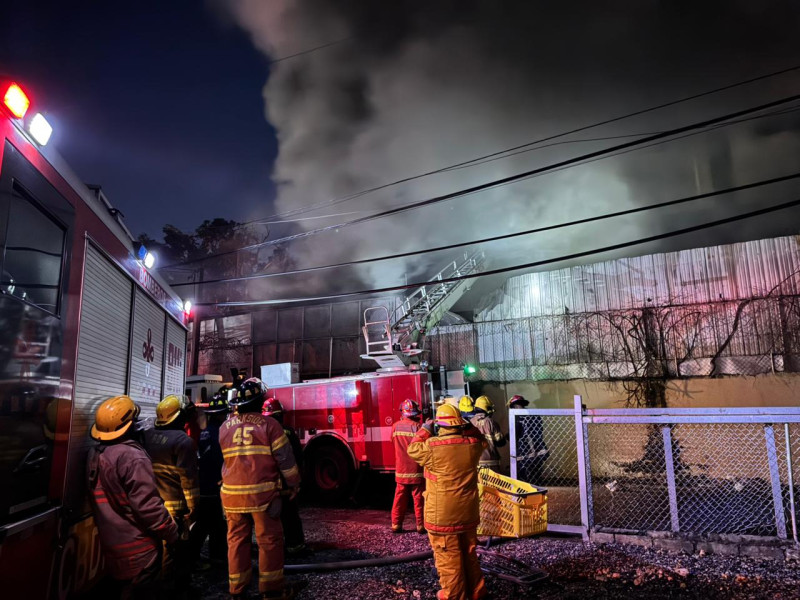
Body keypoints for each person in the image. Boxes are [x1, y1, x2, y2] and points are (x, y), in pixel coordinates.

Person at [87, 395, 178, 599]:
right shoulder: (132, 457)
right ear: (128, 426)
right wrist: (172, 533)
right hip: (140, 552)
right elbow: (148, 507)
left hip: (112, 549)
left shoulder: (95, 454)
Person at [221, 377, 303, 600]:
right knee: (269, 541)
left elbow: (227, 462)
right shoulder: (270, 426)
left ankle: (237, 590)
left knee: (236, 542)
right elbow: (285, 460)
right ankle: (271, 591)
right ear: (260, 401)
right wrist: (294, 484)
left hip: (232, 498)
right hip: (262, 497)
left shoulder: (225, 427)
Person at [408, 404, 488, 600]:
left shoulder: (432, 447)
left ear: (440, 425)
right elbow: (482, 439)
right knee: (469, 553)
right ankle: (477, 590)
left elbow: (412, 449)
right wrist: (468, 426)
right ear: (459, 423)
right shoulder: (472, 444)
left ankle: (454, 595)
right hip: (468, 513)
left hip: (443, 517)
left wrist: (425, 429)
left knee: (449, 558)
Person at [142, 395, 200, 594]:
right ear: (179, 417)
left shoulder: (148, 436)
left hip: (151, 505)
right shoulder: (183, 441)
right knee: (175, 551)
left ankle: (156, 587)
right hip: (175, 508)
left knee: (155, 549)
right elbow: (188, 479)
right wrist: (193, 508)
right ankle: (171, 590)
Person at [262, 396, 308, 556]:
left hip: (269, 482)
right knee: (290, 515)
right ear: (280, 415)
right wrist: (297, 480)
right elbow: (297, 456)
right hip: (286, 483)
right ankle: (295, 546)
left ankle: (274, 547)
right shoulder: (287, 431)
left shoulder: (262, 433)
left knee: (270, 518)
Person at [190, 389, 229, 568]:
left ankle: (194, 555)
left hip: (203, 483)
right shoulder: (221, 434)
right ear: (221, 415)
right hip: (215, 485)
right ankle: (217, 557)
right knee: (217, 524)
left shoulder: (206, 433)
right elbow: (222, 461)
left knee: (204, 522)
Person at [390, 398, 425, 534]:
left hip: (401, 469)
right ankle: (420, 526)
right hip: (416, 469)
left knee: (399, 497)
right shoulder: (418, 427)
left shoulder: (395, 426)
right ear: (415, 414)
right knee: (419, 498)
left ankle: (396, 524)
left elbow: (392, 442)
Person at [507, 395, 549, 485]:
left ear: (515, 406)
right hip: (539, 451)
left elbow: (513, 434)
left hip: (524, 453)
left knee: (523, 479)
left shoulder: (517, 418)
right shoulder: (534, 416)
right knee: (536, 476)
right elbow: (539, 432)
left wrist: (506, 436)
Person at [471, 395, 507, 470]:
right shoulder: (491, 422)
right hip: (491, 462)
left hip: (475, 463)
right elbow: (500, 442)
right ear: (487, 408)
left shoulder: (470, 422)